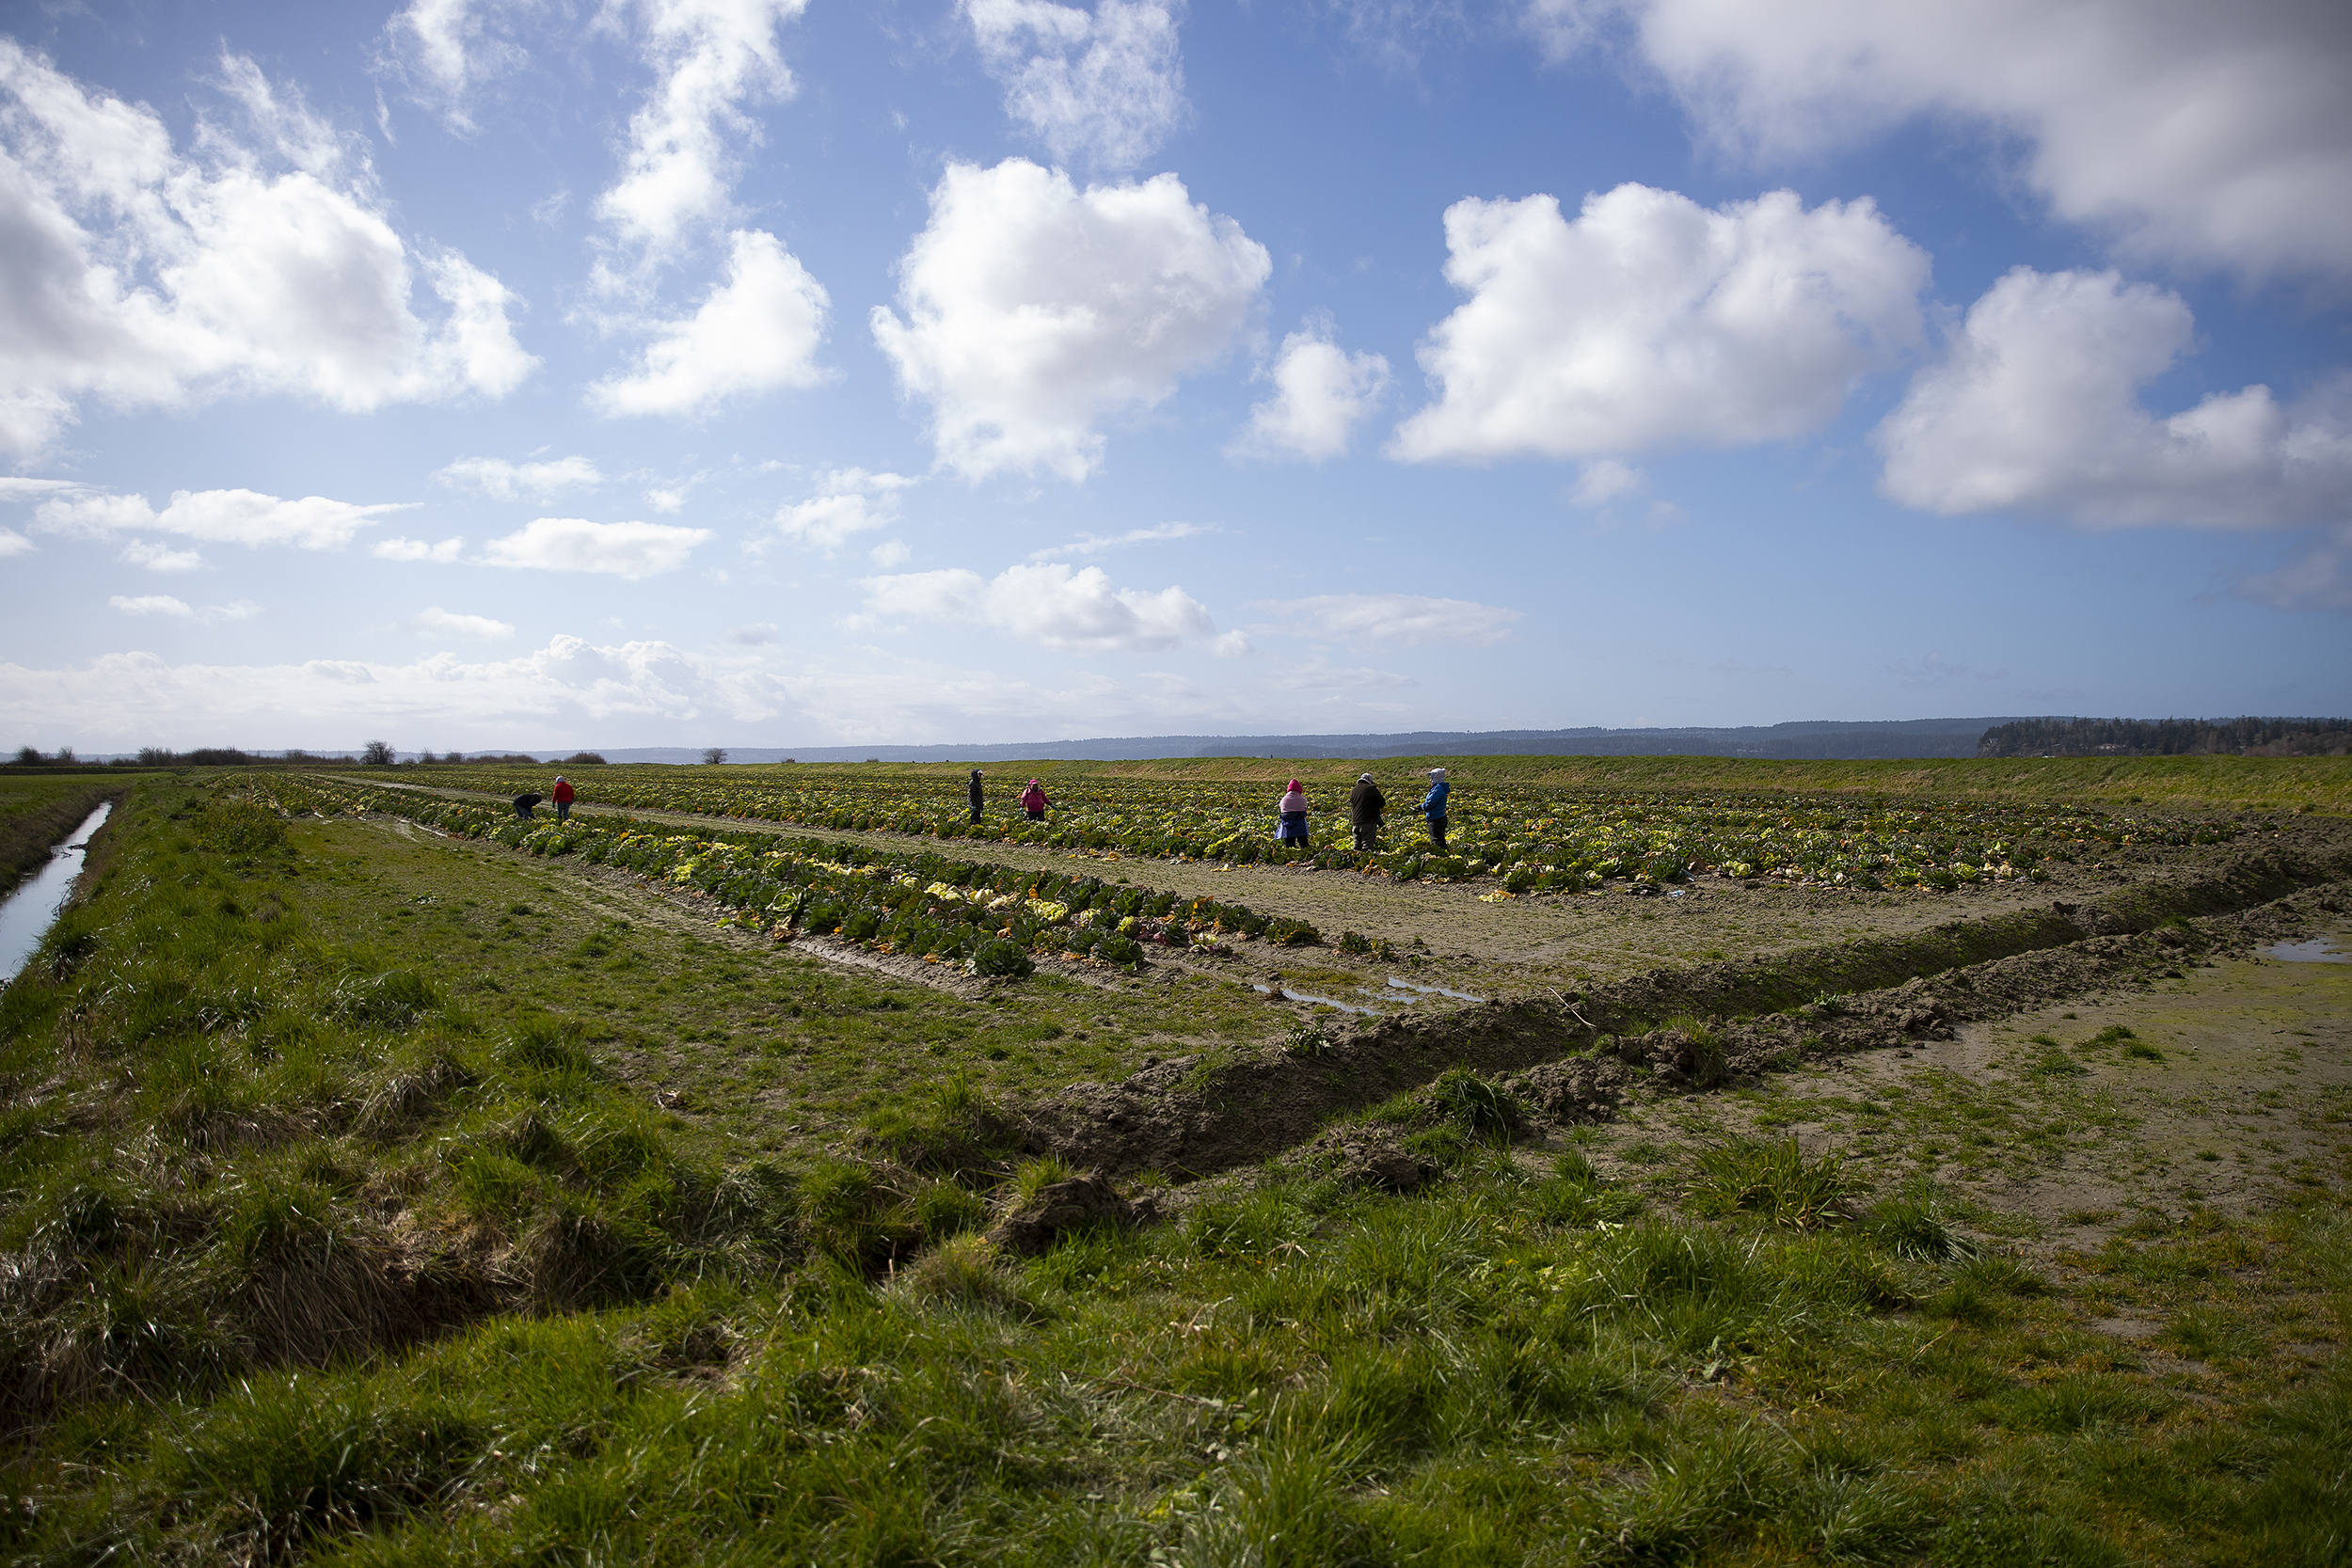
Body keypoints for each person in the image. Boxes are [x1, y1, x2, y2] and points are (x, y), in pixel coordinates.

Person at [1347, 772, 1386, 851]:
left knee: (1357, 846)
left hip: (1355, 822)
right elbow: (1382, 803)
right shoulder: (1371, 788)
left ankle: (1355, 862)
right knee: (1367, 846)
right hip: (1368, 821)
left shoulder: (1354, 790)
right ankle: (1365, 862)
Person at [1419, 768, 1450, 851]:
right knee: (1439, 839)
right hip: (1439, 817)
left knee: (1437, 842)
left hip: (1436, 818)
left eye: (1431, 777)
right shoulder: (1439, 788)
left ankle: (1443, 857)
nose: (1430, 779)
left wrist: (1421, 807)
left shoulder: (1438, 789)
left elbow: (1430, 803)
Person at [1277, 777, 1311, 849]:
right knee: (1303, 843)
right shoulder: (1302, 799)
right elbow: (1305, 808)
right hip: (1300, 824)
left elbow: (1282, 809)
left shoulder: (1284, 799)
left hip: (1287, 823)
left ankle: (1291, 857)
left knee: (1289, 844)